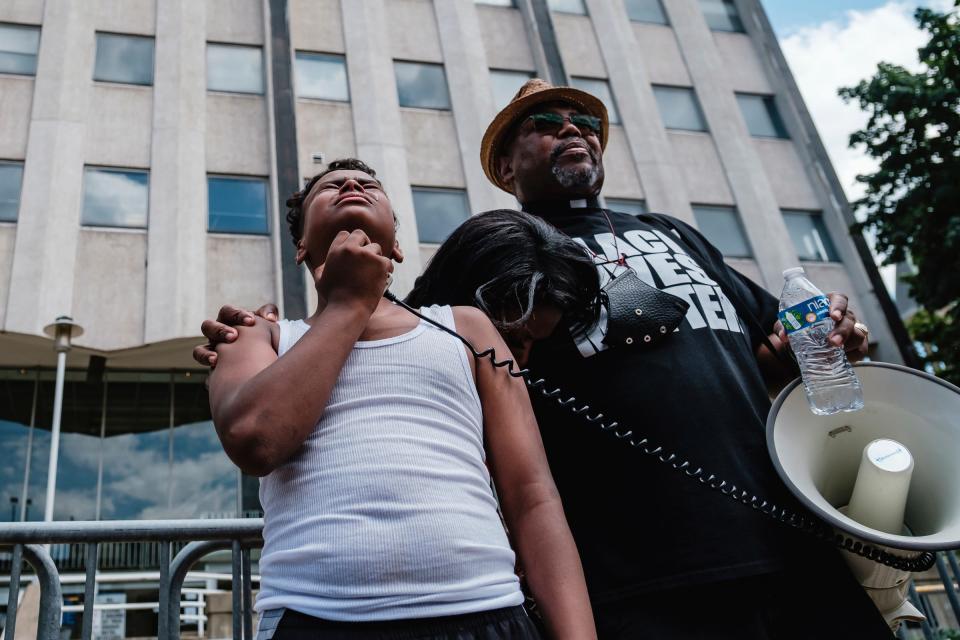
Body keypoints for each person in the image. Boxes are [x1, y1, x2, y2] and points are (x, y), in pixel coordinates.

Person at [198, 81, 890, 638]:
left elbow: (773, 344)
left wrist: (831, 338)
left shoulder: (676, 234)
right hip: (635, 574)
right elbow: (383, 336)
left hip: (785, 547)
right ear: (505, 167)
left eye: (583, 120)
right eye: (545, 123)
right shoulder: (486, 257)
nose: (573, 129)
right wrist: (266, 338)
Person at [205, 158, 596, 640]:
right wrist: (349, 304)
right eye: (330, 188)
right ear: (301, 246)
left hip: (485, 610)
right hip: (317, 619)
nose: (351, 184)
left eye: (370, 185)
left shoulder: (467, 327)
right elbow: (255, 441)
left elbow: (532, 497)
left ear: (397, 245)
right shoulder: (257, 335)